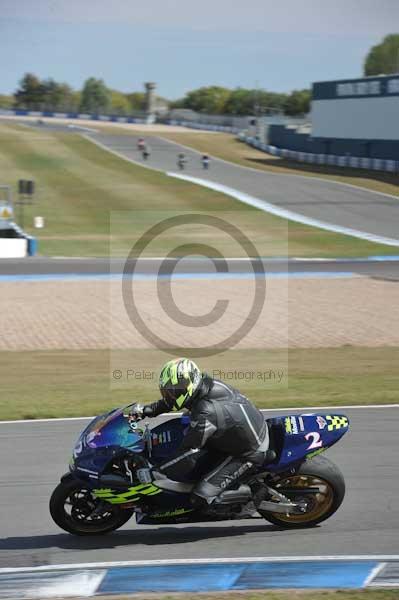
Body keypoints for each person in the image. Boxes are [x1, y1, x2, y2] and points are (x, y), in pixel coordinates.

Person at [130, 358, 269, 507]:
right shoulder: (206, 386)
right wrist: (147, 410)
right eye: (167, 391)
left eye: (173, 391)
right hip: (235, 434)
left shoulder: (205, 412)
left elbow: (190, 452)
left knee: (200, 497)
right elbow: (173, 401)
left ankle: (253, 492)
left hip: (247, 452)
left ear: (188, 385)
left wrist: (156, 472)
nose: (169, 395)